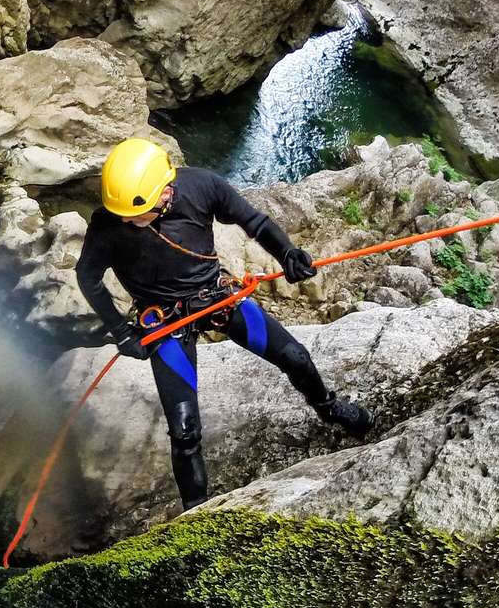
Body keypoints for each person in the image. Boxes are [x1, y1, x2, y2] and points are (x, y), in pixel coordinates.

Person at [74, 136, 372, 511]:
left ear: (166, 191)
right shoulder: (108, 223)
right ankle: (196, 514)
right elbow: (88, 277)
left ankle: (328, 407)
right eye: (125, 216)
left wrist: (288, 254)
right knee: (184, 431)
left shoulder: (201, 185)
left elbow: (254, 222)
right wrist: (121, 331)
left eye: (138, 213)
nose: (129, 222)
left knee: (294, 356)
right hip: (164, 319)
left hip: (216, 295)